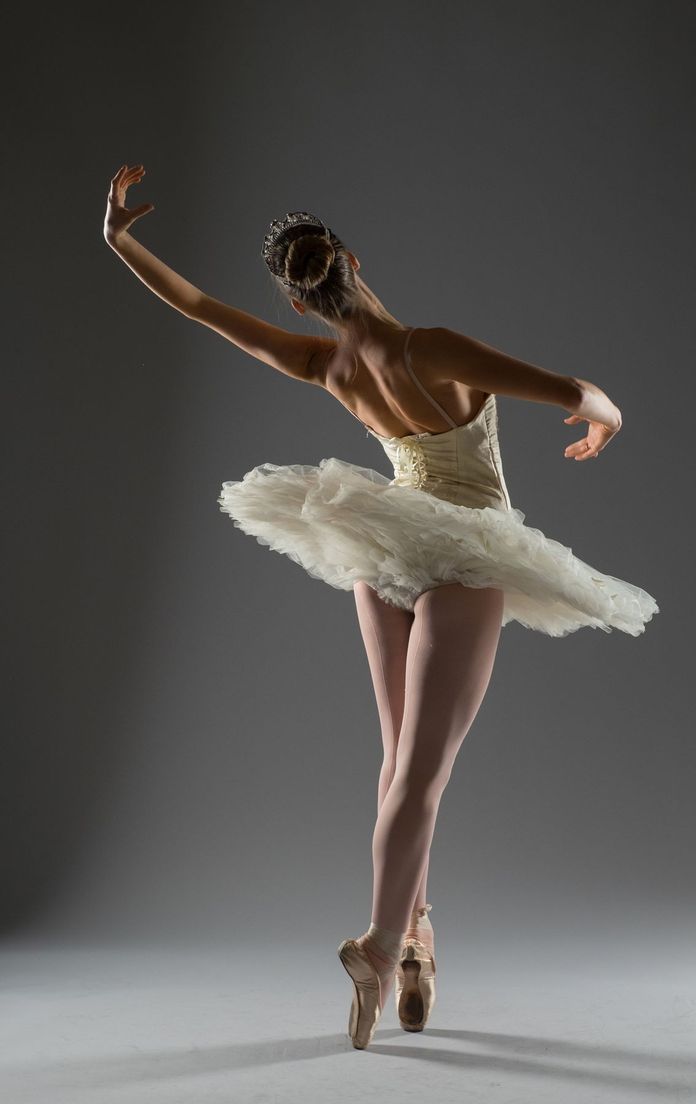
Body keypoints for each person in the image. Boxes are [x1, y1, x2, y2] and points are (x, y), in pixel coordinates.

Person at [104, 167, 659, 1049]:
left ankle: (413, 944)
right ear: (353, 262)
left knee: (397, 763)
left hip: (385, 545)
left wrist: (120, 241)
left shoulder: (321, 362)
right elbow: (571, 389)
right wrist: (609, 418)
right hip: (467, 550)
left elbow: (204, 308)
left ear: (300, 301)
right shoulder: (429, 347)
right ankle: (380, 939)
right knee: (421, 776)